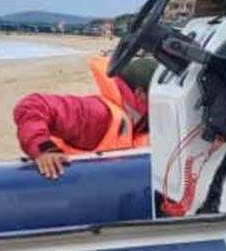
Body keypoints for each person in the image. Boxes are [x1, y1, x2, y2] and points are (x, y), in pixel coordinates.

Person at [12, 55, 157, 180]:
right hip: (66, 186)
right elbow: (33, 105)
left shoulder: (142, 122)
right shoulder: (97, 113)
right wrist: (44, 149)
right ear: (139, 94)